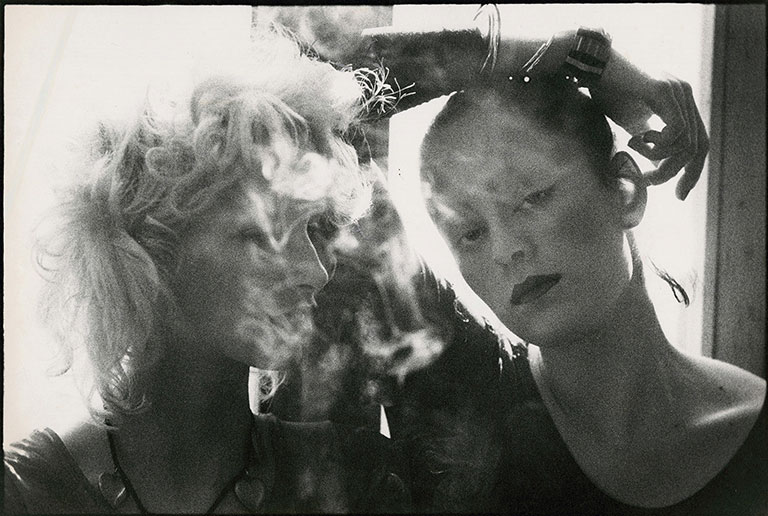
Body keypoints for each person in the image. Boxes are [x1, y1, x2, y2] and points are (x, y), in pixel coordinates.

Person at [3, 29, 413, 514]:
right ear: (149, 247)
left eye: (314, 228)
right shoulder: (23, 495)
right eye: (261, 234)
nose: (315, 270)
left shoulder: (351, 482)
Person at [413, 70, 766, 513]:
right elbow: (315, 107)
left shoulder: (752, 435)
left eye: (533, 197)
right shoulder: (466, 404)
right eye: (469, 233)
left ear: (626, 191)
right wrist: (594, 57)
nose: (506, 249)